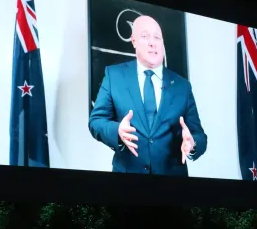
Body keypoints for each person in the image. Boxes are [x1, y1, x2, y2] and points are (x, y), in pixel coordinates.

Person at [89, 15, 207, 175]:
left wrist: (192, 144)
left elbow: (199, 135)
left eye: (157, 37)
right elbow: (96, 121)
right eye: (145, 36)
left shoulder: (182, 86)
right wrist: (117, 131)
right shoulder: (114, 76)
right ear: (134, 41)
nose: (153, 42)